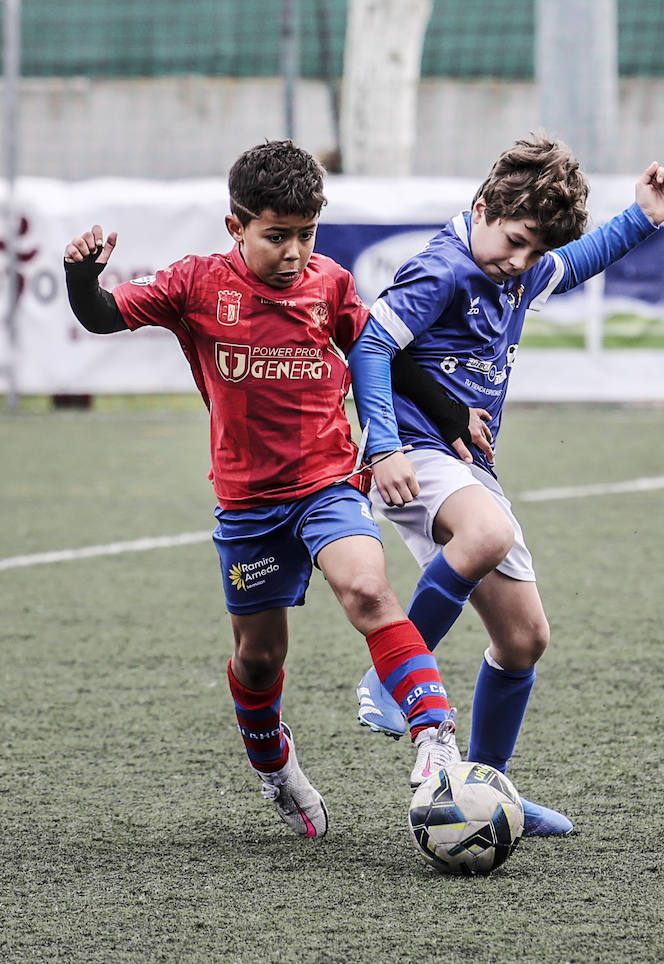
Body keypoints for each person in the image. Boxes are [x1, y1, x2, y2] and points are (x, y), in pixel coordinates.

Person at [61, 141, 462, 840]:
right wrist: (80, 280)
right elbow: (101, 315)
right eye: (278, 235)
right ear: (235, 228)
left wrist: (450, 418)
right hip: (248, 504)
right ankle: (275, 763)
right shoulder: (194, 285)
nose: (295, 251)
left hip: (327, 482)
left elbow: (377, 353)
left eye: (308, 234)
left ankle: (435, 740)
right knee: (259, 656)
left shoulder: (331, 285)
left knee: (368, 592)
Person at [346, 135, 664, 836]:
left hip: (469, 468)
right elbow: (370, 346)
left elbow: (576, 260)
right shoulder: (441, 268)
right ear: (482, 206)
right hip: (414, 454)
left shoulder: (516, 269)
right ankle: (390, 678)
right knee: (488, 532)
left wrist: (644, 216)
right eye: (515, 241)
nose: (520, 261)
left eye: (532, 251)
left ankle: (484, 788)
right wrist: (383, 450)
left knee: (525, 639)